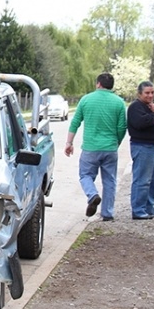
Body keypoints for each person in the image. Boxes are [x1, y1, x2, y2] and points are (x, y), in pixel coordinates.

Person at [65, 73, 127, 222]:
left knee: (85, 175)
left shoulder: (86, 100)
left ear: (98, 84)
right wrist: (116, 142)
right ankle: (107, 213)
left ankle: (92, 194)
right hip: (110, 148)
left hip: (90, 148)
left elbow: (75, 122)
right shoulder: (119, 103)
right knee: (110, 180)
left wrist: (69, 143)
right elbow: (122, 127)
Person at [127, 81, 154, 220]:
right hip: (143, 146)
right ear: (139, 94)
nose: (150, 95)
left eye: (152, 92)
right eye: (147, 93)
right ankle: (138, 209)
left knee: (153, 179)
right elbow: (140, 123)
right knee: (142, 179)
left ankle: (149, 207)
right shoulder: (135, 107)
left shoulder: (153, 107)